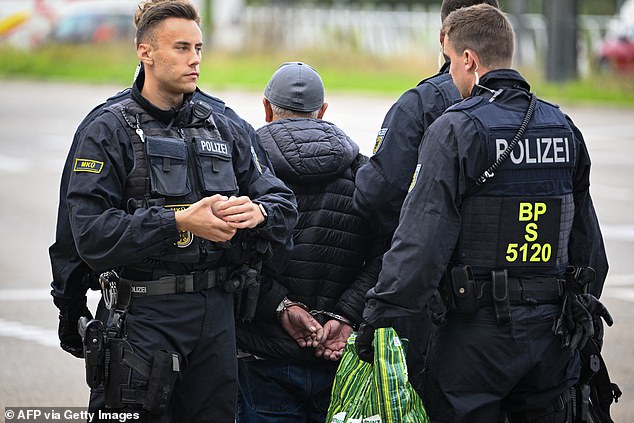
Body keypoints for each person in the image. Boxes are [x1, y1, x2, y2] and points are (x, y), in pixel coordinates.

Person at [355, 4, 610, 422]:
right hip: (552, 335)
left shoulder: (456, 129)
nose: (451, 75)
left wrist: (383, 318)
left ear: (469, 60)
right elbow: (587, 245)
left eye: (452, 62)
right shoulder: (562, 126)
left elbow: (420, 243)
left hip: (476, 336)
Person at [57, 1, 298, 421]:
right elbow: (88, 233)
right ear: (144, 52)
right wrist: (179, 221)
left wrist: (257, 213)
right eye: (181, 47)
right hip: (142, 317)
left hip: (216, 317)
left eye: (199, 48)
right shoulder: (107, 129)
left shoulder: (224, 124)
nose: (194, 60)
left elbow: (281, 202)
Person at [352, 0, 501, 394]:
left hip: (436, 299)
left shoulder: (422, 103)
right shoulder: (533, 114)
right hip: (524, 317)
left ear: (444, 36)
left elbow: (378, 194)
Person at [235, 62, 381, 423]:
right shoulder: (362, 172)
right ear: (323, 111)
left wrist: (280, 306)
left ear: (266, 109)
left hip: (263, 357)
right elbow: (388, 255)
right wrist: (346, 315)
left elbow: (229, 255)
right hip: (337, 356)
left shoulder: (245, 173)